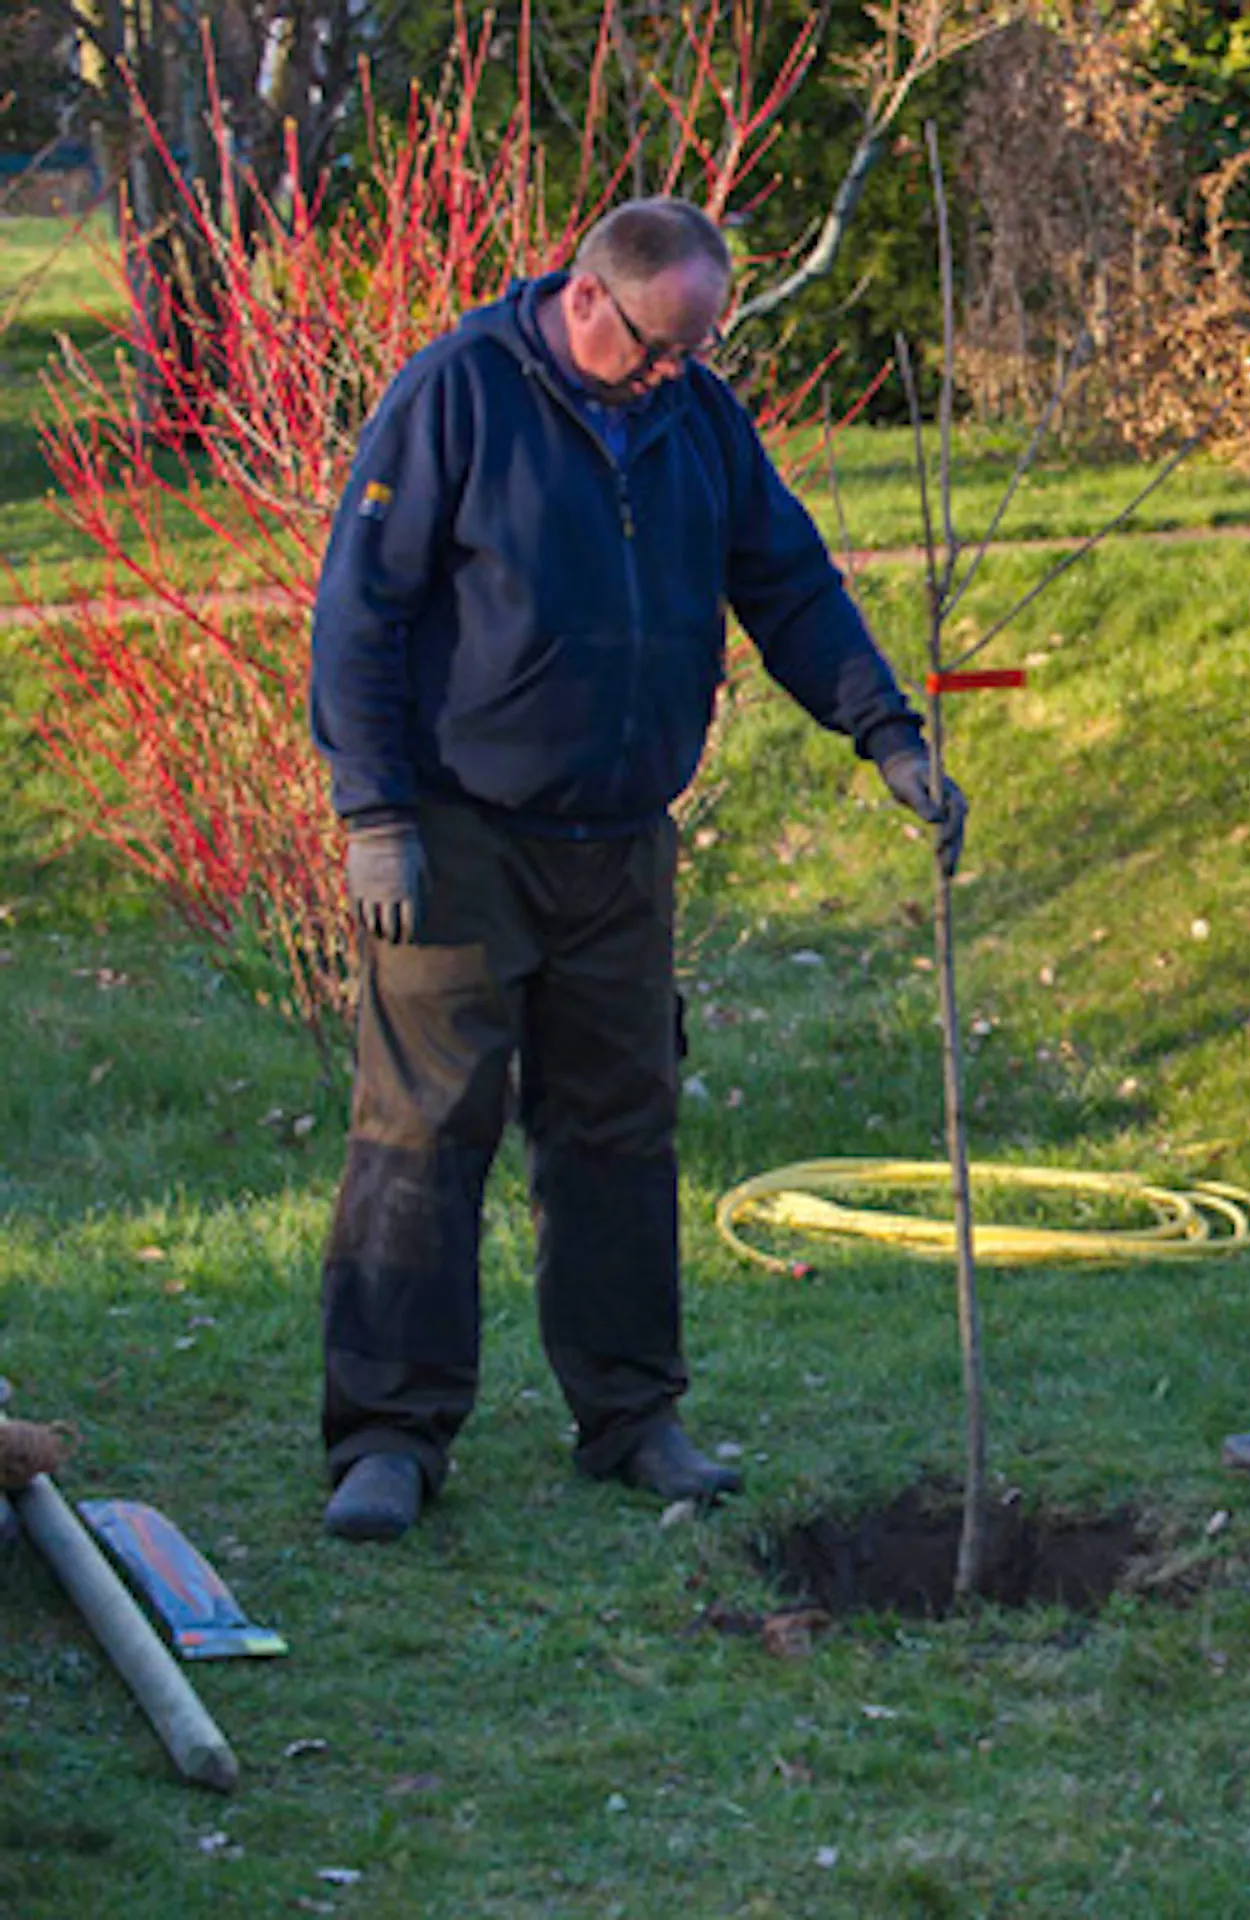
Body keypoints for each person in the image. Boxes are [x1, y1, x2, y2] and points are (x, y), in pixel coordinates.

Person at [308, 197, 965, 1542]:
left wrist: (887, 734)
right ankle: (387, 1436)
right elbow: (358, 608)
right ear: (587, 298)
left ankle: (630, 1417)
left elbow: (790, 584)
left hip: (619, 843)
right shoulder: (457, 395)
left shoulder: (697, 419)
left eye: (697, 349)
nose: (677, 372)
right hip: (457, 833)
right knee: (422, 1134)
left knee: (619, 1130)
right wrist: (374, 812)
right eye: (660, 346)